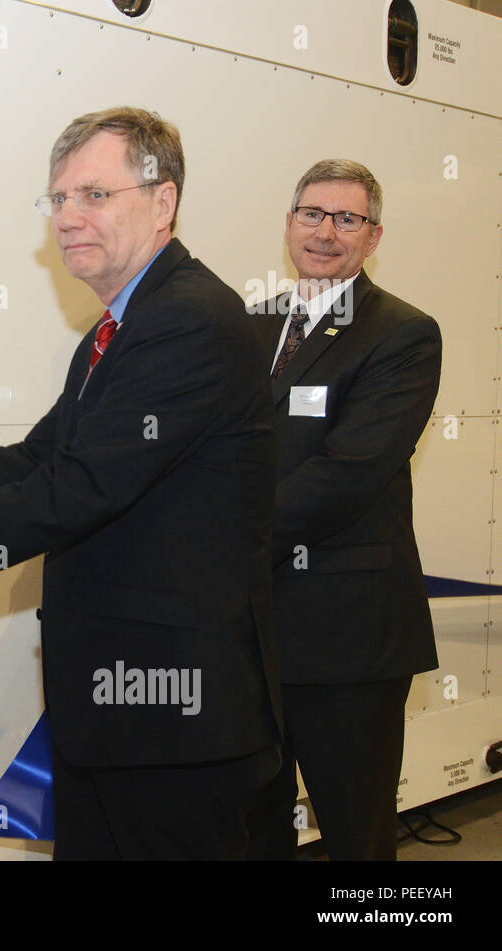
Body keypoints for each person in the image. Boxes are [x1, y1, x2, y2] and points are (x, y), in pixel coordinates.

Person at [0, 107, 282, 859]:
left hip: (172, 720)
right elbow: (44, 460)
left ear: (162, 201)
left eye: (93, 196)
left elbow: (82, 486)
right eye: (57, 199)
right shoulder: (119, 328)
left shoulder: (188, 321)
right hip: (115, 714)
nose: (67, 217)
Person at [247, 159, 441, 860]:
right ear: (289, 224)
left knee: (357, 837)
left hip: (348, 641)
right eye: (312, 214)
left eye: (347, 218)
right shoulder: (251, 324)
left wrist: (221, 537)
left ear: (374, 235)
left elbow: (347, 474)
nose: (326, 232)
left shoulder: (404, 335)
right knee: (252, 829)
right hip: (252, 635)